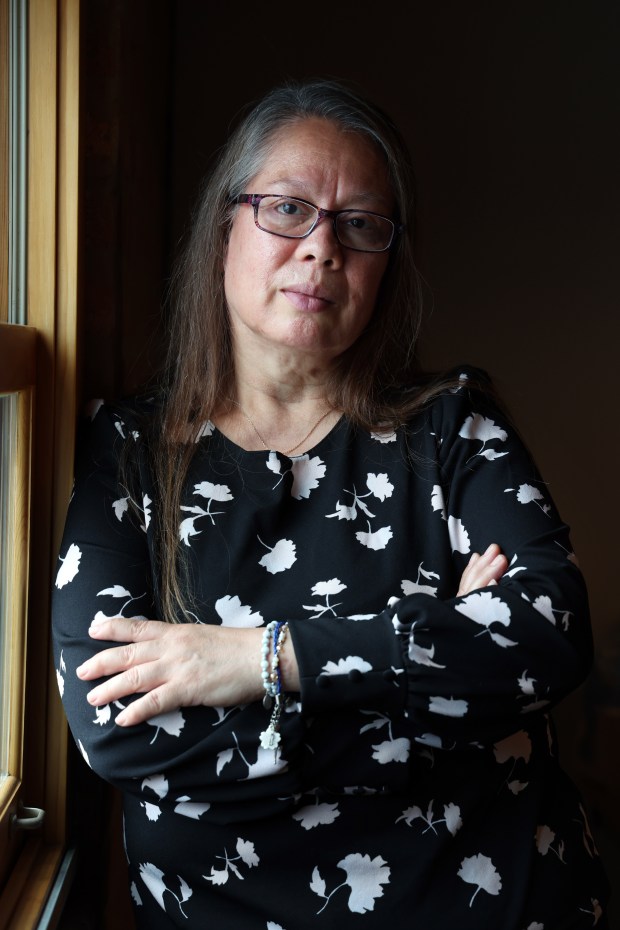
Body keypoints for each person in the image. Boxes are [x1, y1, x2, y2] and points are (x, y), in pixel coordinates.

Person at [52, 78, 609, 928]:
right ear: (223, 227)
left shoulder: (454, 423)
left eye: (360, 225)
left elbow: (552, 633)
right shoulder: (129, 450)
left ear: (389, 258)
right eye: (286, 209)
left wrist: (263, 661)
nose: (322, 249)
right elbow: (119, 733)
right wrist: (439, 676)